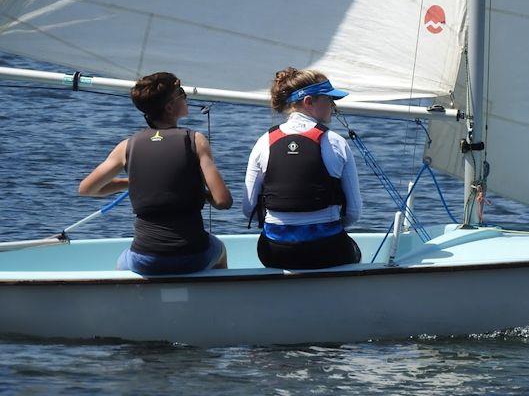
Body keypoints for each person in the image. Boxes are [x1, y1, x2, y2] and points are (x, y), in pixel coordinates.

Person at [78, 72, 233, 274]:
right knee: (220, 250)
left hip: (146, 258)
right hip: (193, 254)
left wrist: (130, 183)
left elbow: (87, 189)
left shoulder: (127, 146)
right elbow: (223, 201)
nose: (186, 97)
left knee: (122, 263)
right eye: (181, 93)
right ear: (169, 107)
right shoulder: (195, 140)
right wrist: (192, 191)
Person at [243, 67, 362, 269]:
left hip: (275, 251)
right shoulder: (336, 142)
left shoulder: (263, 143)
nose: (333, 106)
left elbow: (248, 209)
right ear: (308, 102)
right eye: (328, 100)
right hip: (327, 249)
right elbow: (354, 212)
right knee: (354, 252)